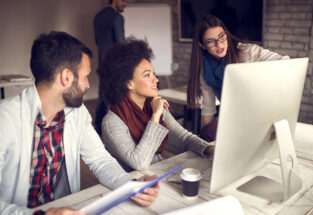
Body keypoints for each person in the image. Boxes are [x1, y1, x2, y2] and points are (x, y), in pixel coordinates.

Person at [0, 31, 159, 215]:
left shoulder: (77, 113)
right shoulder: (5, 119)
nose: (87, 85)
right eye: (85, 77)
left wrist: (129, 185)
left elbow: (100, 159)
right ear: (66, 77)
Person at [97, 38, 215, 171]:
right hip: (131, 186)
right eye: (147, 75)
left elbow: (184, 138)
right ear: (129, 83)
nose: (156, 80)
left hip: (155, 177)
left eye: (154, 73)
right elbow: (139, 163)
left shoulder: (153, 105)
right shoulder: (112, 122)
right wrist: (155, 115)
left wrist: (211, 149)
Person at [187, 15, 289, 142]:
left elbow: (285, 61)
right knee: (207, 133)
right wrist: (203, 140)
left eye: (221, 36)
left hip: (261, 114)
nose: (219, 44)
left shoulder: (246, 51)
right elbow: (208, 108)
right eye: (211, 41)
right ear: (202, 45)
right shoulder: (204, 70)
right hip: (234, 117)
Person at [93, 0, 127, 135]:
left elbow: (97, 40)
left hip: (103, 62)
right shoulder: (117, 17)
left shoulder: (98, 16)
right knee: (120, 96)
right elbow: (121, 44)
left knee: (103, 95)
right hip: (116, 64)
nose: (126, 3)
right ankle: (118, 131)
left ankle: (99, 128)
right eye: (123, 0)